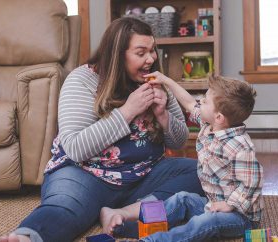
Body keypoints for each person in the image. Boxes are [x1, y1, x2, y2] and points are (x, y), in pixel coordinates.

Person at [0, 17, 205, 242]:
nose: (151, 59)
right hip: (85, 174)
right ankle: (28, 237)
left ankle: (122, 213)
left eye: (152, 51)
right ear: (116, 53)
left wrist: (163, 116)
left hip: (143, 176)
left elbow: (178, 142)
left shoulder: (156, 82)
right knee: (64, 205)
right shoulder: (82, 80)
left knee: (201, 172)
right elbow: (75, 148)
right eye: (141, 53)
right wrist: (127, 111)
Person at [101, 74, 264, 241]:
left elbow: (252, 183)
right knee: (182, 198)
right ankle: (140, 228)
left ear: (219, 117)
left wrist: (230, 204)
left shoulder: (240, 146)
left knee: (205, 222)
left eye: (205, 101)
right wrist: (166, 81)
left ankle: (155, 240)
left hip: (239, 217)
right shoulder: (211, 125)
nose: (200, 102)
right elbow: (188, 102)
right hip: (212, 205)